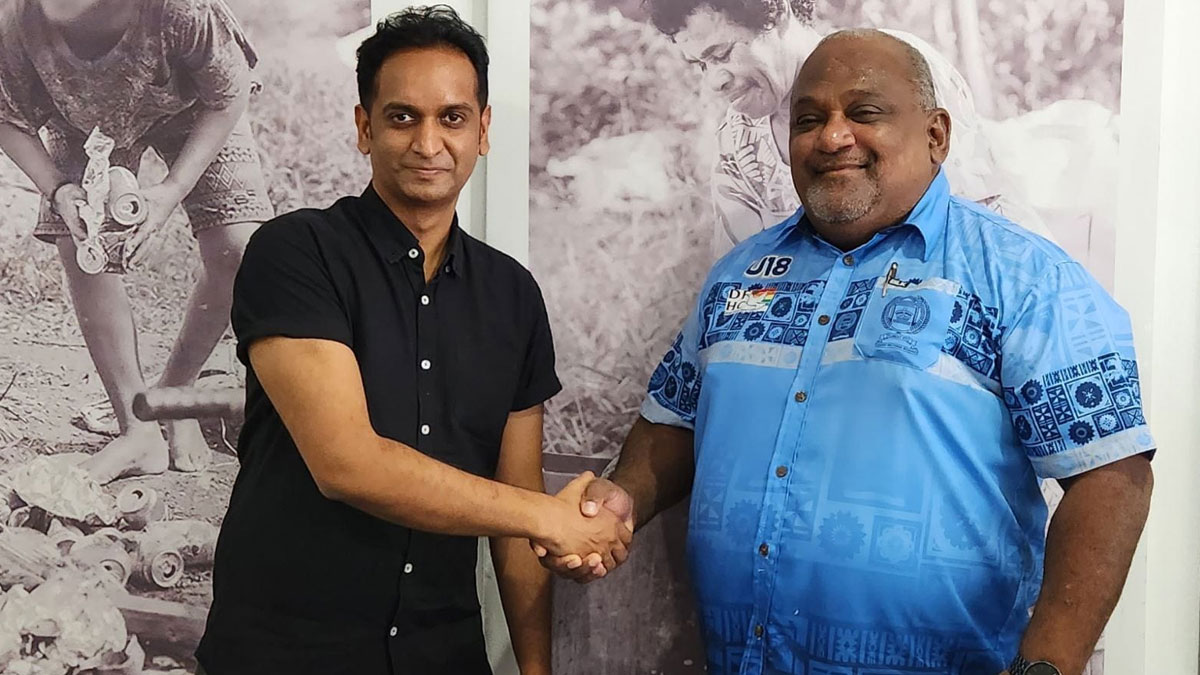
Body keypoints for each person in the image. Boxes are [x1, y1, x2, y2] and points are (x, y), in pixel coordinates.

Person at [542, 29, 1154, 675]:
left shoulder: (1023, 275)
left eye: (864, 112)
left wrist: (1045, 667)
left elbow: (1111, 476)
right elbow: (675, 421)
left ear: (936, 135)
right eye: (808, 120)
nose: (833, 137)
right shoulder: (738, 276)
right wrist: (626, 496)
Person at [196, 6, 630, 675]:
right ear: (364, 128)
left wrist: (535, 669)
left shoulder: (512, 296)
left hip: (443, 654)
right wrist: (549, 516)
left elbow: (516, 520)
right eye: (403, 117)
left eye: (452, 117)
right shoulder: (296, 253)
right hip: (284, 654)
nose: (429, 143)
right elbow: (348, 465)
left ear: (483, 130)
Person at [0, 0, 276, 482]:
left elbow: (227, 95)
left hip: (196, 108)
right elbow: (5, 115)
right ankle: (137, 428)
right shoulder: (14, 17)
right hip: (80, 120)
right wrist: (58, 189)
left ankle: (173, 396)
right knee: (81, 241)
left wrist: (171, 190)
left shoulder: (183, 10)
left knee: (240, 247)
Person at [643, 0, 1052, 258]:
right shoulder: (738, 145)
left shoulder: (895, 67)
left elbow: (975, 226)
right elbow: (741, 278)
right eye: (700, 65)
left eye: (722, 54)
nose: (713, 82)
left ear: (777, 11)